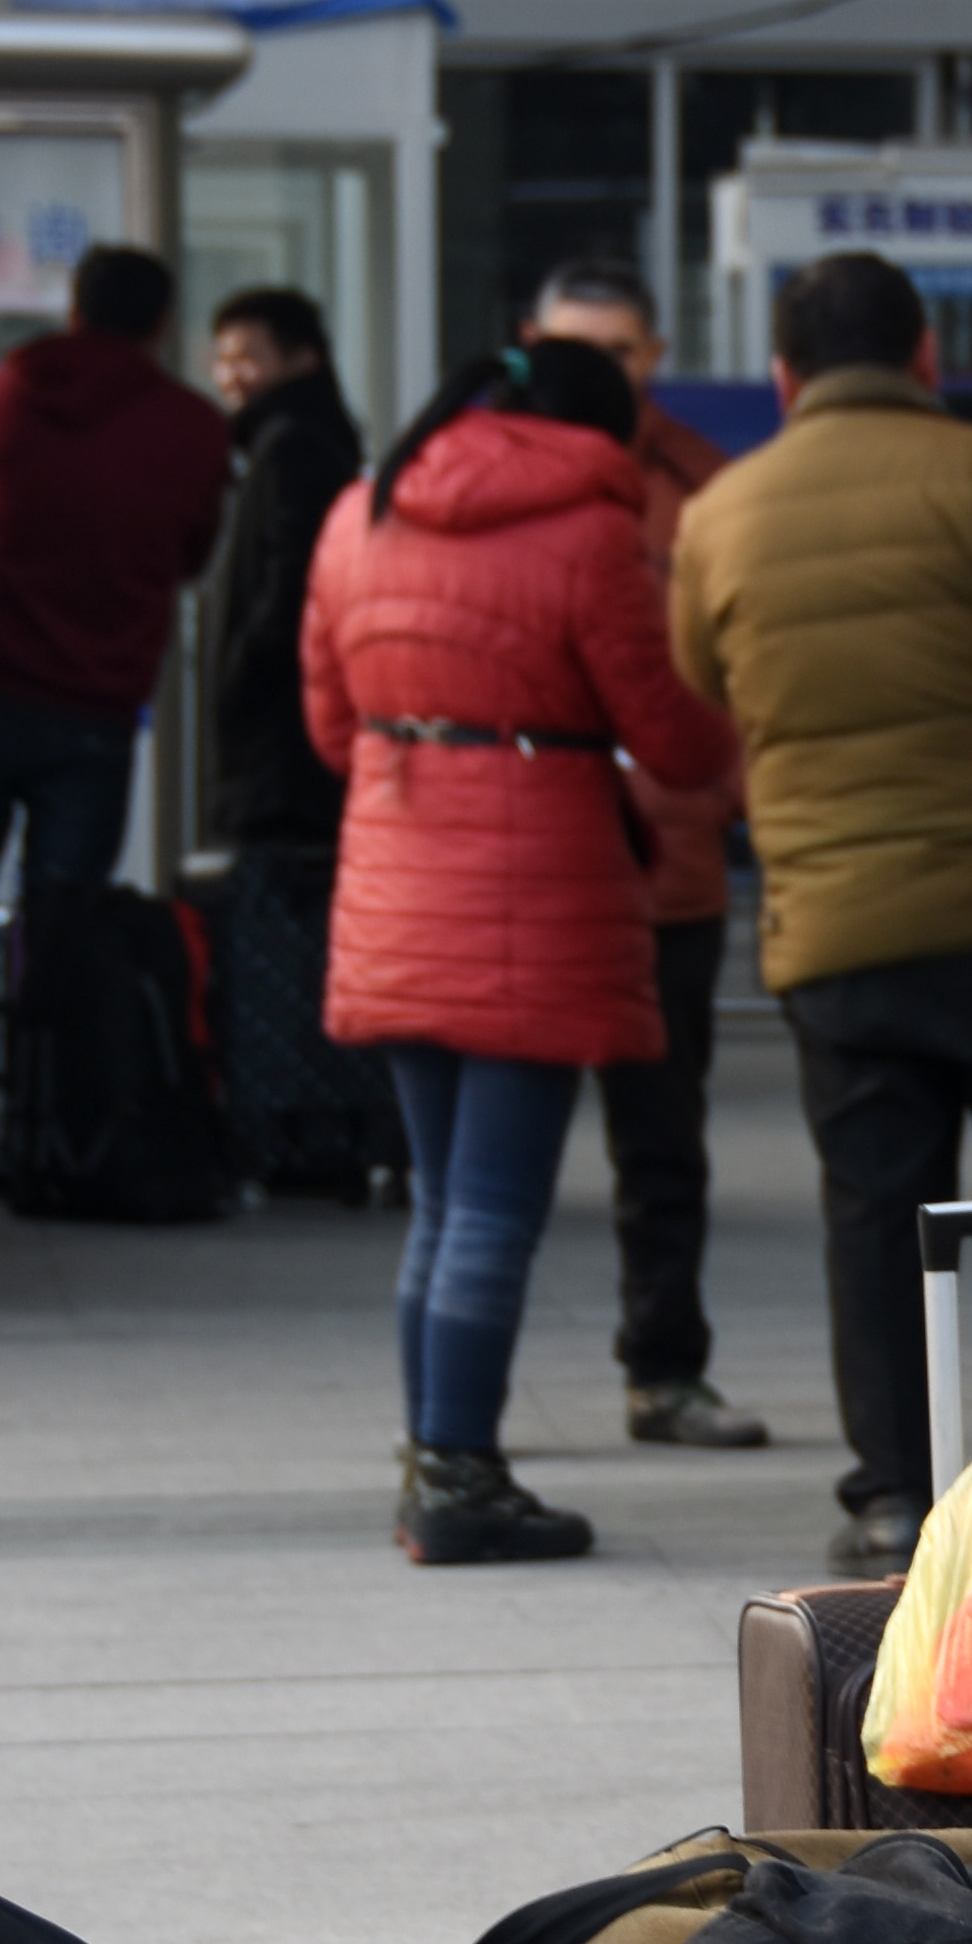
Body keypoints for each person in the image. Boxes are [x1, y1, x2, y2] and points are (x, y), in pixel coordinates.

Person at [669, 248, 972, 1572]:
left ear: (784, 376)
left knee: (876, 1215)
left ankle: (893, 1494)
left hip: (837, 930)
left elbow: (700, 672)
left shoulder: (721, 513)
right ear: (927, 355)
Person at [303, 335, 745, 1566]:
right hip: (535, 885)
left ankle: (432, 1458)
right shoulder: (592, 530)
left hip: (394, 871)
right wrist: (725, 730)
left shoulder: (361, 511)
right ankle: (462, 1475)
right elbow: (667, 731)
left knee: (444, 1202)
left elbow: (329, 722)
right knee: (495, 1210)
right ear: (601, 433)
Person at [0, 241, 231, 1183]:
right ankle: (47, 1139)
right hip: (93, 709)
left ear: (75, 307)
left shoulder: (17, 386)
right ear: (161, 323)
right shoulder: (191, 426)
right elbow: (191, 551)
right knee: (62, 936)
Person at [522, 252, 768, 1451]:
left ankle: (664, 1368)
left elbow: (745, 663)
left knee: (662, 1146)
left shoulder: (703, 486)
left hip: (667, 865)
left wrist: (719, 793)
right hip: (528, 863)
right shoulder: (491, 479)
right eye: (577, 350)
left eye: (620, 351)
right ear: (529, 348)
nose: (601, 373)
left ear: (655, 356)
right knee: (497, 1160)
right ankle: (465, 1403)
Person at [201, 285, 387, 1204]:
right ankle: (313, 1126)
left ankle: (302, 1130)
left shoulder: (294, 450)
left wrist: (237, 680)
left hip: (283, 748)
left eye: (250, 356)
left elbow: (286, 598)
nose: (231, 374)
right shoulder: (299, 442)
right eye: (223, 357)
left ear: (301, 359)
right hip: (287, 743)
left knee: (287, 939)